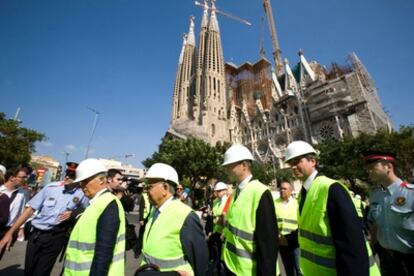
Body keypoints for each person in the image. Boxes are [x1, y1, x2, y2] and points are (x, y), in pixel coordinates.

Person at [284, 141, 379, 275]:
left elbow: (351, 244)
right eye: (290, 163)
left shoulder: (331, 188)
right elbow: (310, 231)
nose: (293, 167)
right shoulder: (303, 193)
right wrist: (284, 239)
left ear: (313, 161)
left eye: (297, 161)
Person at [0, 162, 88, 275]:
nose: (67, 177)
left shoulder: (82, 194)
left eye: (72, 176)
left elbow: (87, 212)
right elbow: (30, 209)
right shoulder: (51, 187)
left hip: (56, 238)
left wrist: (74, 213)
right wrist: (10, 233)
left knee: (41, 273)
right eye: (67, 173)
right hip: (36, 236)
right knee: (29, 271)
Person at [139, 162, 208, 275]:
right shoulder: (155, 211)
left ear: (165, 188)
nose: (146, 190)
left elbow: (200, 260)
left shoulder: (185, 216)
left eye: (149, 186)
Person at [221, 144, 278, 276]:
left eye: (230, 166)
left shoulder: (260, 192)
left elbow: (268, 243)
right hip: (232, 266)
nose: (227, 170)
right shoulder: (236, 192)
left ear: (244, 166)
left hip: (249, 271)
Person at [64, 158, 125, 276]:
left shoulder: (108, 204)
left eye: (86, 181)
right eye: (80, 182)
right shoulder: (95, 203)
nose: (82, 186)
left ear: (102, 180)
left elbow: (104, 253)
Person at [364, 150, 414, 276]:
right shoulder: (376, 196)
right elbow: (376, 224)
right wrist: (372, 247)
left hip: (409, 258)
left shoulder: (410, 193)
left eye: (372, 167)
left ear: (388, 167)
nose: (368, 171)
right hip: (385, 257)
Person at [274, 181, 301, 276]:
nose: (282, 190)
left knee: (299, 268)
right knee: (289, 269)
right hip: (282, 241)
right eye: (280, 188)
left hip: (295, 240)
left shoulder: (296, 204)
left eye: (285, 189)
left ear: (290, 191)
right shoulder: (274, 204)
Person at [0, 168, 29, 240]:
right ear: (12, 178)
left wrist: (21, 228)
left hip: (8, 230)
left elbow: (23, 211)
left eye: (26, 177)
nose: (25, 180)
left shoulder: (24, 193)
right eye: (23, 177)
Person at [207, 181, 228, 274]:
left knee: (220, 255)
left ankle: (219, 270)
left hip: (223, 233)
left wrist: (217, 219)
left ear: (225, 191)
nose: (218, 193)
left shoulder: (228, 202)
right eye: (217, 191)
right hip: (215, 232)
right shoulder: (215, 202)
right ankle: (216, 270)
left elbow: (224, 218)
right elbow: (212, 217)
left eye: (220, 191)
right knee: (215, 254)